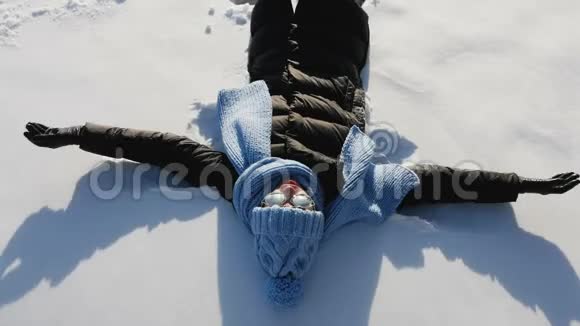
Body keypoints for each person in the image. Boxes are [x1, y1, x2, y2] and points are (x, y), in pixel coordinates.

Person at [23, 0, 578, 306]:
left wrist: (78, 133)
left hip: (269, 63)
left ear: (263, 215)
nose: (293, 192)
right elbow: (437, 184)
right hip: (335, 64)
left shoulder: (236, 179)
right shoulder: (353, 192)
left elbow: (159, 149)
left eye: (281, 203)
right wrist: (522, 185)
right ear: (315, 221)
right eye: (303, 208)